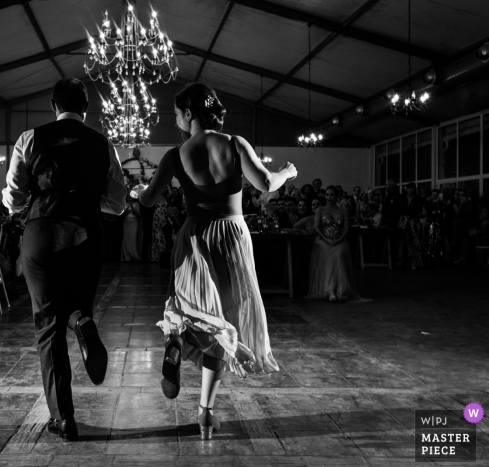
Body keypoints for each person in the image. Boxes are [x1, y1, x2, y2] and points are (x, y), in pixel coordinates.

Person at [132, 83, 294, 440]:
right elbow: (266, 183)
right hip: (232, 237)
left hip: (193, 237)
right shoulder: (235, 144)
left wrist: (137, 192)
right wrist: (288, 173)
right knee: (223, 323)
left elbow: (147, 201)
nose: (176, 121)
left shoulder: (177, 154)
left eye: (177, 114)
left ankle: (176, 343)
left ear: (189, 114)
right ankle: (205, 411)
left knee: (196, 312)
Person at [2, 78, 126, 441]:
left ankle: (64, 417)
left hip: (42, 232)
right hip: (86, 232)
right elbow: (117, 202)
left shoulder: (29, 139)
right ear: (86, 106)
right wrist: (86, 200)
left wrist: (37, 198)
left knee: (48, 324)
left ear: (53, 104)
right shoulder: (103, 143)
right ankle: (84, 322)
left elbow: (14, 198)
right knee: (77, 306)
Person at [307, 186, 361, 302]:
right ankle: (330, 290)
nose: (329, 197)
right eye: (327, 194)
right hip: (323, 240)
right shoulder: (320, 210)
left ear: (337, 196)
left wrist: (340, 238)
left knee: (339, 255)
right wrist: (326, 239)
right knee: (329, 256)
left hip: (339, 240)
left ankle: (341, 290)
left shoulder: (343, 210)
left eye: (332, 195)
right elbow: (316, 227)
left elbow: (346, 227)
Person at [397, 183, 425, 269]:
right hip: (403, 221)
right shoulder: (402, 198)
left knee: (415, 241)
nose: (410, 190)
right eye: (409, 188)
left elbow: (418, 210)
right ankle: (401, 262)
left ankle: (415, 263)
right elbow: (400, 209)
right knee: (401, 241)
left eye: (412, 188)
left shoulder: (418, 199)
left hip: (413, 221)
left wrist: (411, 214)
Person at [120, 196, 143, 262]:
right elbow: (121, 214)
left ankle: (134, 255)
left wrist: (133, 208)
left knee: (133, 238)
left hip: (134, 221)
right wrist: (127, 209)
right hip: (126, 221)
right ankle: (126, 256)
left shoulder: (136, 204)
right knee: (126, 238)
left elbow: (138, 213)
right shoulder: (125, 203)